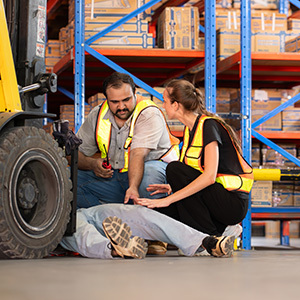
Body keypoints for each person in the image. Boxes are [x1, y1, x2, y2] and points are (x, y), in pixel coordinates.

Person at [74, 72, 179, 254]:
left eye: (126, 99)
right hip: (116, 178)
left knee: (150, 174)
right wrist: (93, 164)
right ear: (107, 99)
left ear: (135, 93)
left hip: (150, 177)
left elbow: (138, 153)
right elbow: (74, 155)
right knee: (71, 179)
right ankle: (113, 228)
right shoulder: (98, 114)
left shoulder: (149, 113)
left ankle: (154, 236)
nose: (121, 106)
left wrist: (133, 187)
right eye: (115, 102)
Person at [136, 79, 254, 237]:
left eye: (165, 101)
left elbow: (209, 177)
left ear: (176, 104)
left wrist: (167, 199)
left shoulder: (208, 126)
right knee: (160, 211)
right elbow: (196, 172)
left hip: (232, 204)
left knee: (174, 170)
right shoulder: (189, 130)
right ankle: (220, 230)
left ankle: (210, 238)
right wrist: (172, 188)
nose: (163, 106)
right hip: (216, 200)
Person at [60, 203, 236, 259]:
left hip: (86, 209)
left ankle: (207, 242)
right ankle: (114, 248)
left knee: (137, 213)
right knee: (74, 227)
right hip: (54, 222)